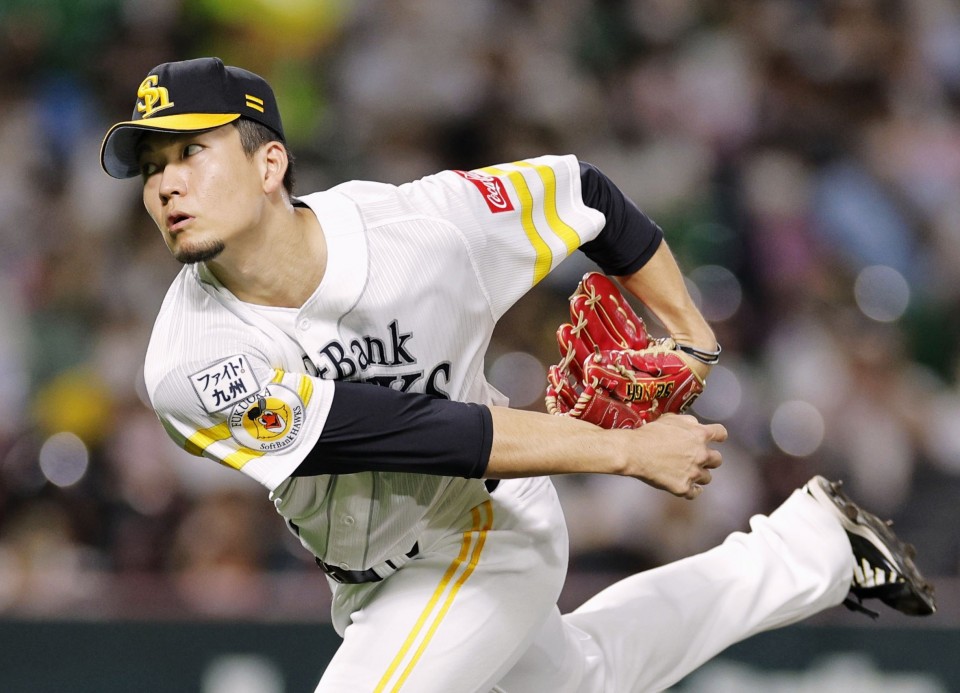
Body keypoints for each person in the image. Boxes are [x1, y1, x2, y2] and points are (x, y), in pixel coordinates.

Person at [100, 57, 935, 693]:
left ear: (270, 163)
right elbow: (421, 434)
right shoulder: (191, 359)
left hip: (483, 530)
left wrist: (691, 334)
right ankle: (818, 548)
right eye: (151, 167)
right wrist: (626, 448)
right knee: (591, 672)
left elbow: (588, 194)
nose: (168, 183)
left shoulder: (422, 230)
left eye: (191, 151)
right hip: (381, 565)